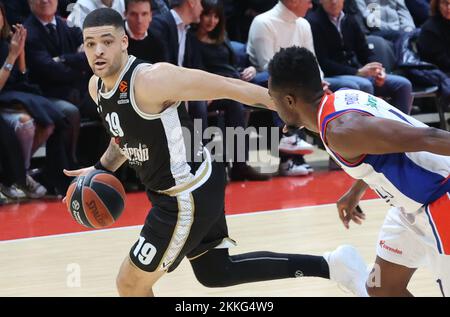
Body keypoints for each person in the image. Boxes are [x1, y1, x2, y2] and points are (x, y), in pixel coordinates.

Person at [64, 8, 369, 297]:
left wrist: (309, 115)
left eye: (106, 42)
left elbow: (229, 87)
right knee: (215, 271)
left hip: (185, 195)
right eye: (90, 44)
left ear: (124, 42)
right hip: (189, 184)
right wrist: (100, 169)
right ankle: (333, 265)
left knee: (130, 284)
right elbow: (123, 138)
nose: (99, 51)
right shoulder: (97, 87)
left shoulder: (152, 80)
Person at [268, 46, 450, 296]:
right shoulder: (340, 99)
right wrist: (356, 190)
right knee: (380, 289)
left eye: (273, 99)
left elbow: (428, 137)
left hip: (442, 203)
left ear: (289, 101)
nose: (274, 107)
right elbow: (379, 148)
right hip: (410, 208)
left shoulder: (341, 130)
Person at [194, 0, 269, 181]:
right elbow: (195, 69)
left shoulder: (222, 36)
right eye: (207, 15)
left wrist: (250, 68)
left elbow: (232, 64)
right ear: (199, 15)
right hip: (209, 88)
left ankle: (239, 166)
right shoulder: (191, 38)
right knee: (220, 103)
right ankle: (203, 166)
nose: (212, 21)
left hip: (232, 84)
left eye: (216, 16)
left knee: (243, 97)